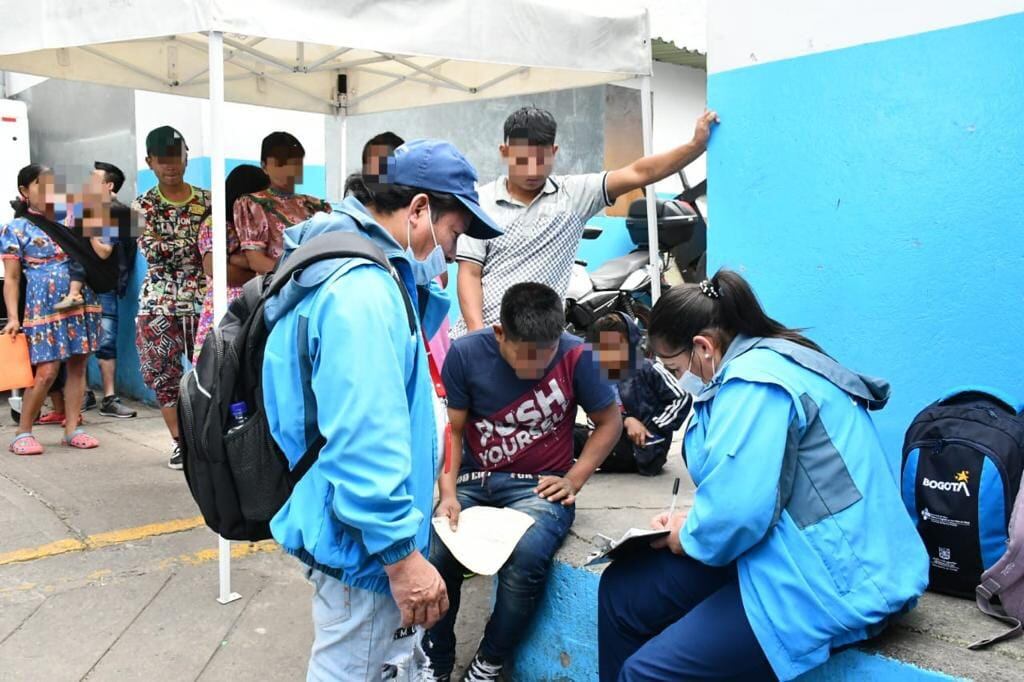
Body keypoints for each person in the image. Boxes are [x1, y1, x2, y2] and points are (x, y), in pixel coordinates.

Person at [597, 271, 930, 681]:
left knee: (646, 673)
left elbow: (739, 515)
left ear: (703, 347)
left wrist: (687, 536)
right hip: (783, 544)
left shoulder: (756, 382)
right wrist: (693, 523)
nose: (676, 377)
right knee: (621, 592)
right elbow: (747, 487)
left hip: (833, 576)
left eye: (674, 365)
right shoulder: (758, 362)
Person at [262, 139, 503, 681]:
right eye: (454, 232)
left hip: (352, 526)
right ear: (418, 209)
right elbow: (364, 437)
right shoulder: (364, 294)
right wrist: (400, 555)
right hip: (365, 541)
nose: (454, 249)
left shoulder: (364, 272)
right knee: (354, 666)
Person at [425, 282, 622, 681]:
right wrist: (447, 493)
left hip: (538, 487)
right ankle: (436, 662)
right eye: (524, 356)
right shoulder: (466, 354)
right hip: (474, 480)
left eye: (543, 357)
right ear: (500, 334)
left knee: (527, 555)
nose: (534, 368)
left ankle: (489, 660)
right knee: (437, 552)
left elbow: (609, 422)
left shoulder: (578, 355)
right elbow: (455, 433)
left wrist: (574, 479)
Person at [451, 107, 719, 338]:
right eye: (523, 159)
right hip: (486, 336)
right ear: (505, 152)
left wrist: (695, 145)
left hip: (539, 347)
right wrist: (479, 336)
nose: (532, 169)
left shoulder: (574, 196)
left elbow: (639, 172)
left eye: (541, 158)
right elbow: (470, 273)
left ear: (554, 152)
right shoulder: (481, 202)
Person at [2, 165, 103, 454]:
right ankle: (23, 432)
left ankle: (72, 428)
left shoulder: (71, 220)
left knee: (78, 364)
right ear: (24, 191)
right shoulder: (15, 228)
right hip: (43, 306)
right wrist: (12, 317)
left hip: (82, 300)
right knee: (46, 370)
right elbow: (11, 278)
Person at [132, 126, 209, 469]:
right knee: (163, 375)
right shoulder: (140, 206)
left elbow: (217, 248)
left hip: (204, 300)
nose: (171, 165)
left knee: (212, 370)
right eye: (163, 159)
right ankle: (181, 443)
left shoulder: (208, 201)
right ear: (150, 162)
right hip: (158, 303)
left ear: (186, 157)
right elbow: (151, 251)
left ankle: (211, 440)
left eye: (176, 157)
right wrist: (195, 246)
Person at [575, 312, 691, 476]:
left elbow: (682, 398)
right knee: (566, 435)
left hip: (644, 449)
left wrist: (653, 427)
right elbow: (596, 413)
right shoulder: (598, 374)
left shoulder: (648, 369)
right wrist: (626, 422)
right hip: (611, 441)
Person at [192, 165, 267, 361]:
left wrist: (235, 259)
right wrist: (254, 268)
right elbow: (214, 268)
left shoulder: (255, 226)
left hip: (251, 311)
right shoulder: (216, 224)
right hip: (224, 312)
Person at [233, 132, 331, 274]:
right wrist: (298, 276)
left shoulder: (316, 205)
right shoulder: (252, 204)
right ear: (264, 166)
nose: (288, 170)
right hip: (281, 286)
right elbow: (257, 261)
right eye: (281, 164)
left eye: (295, 163)